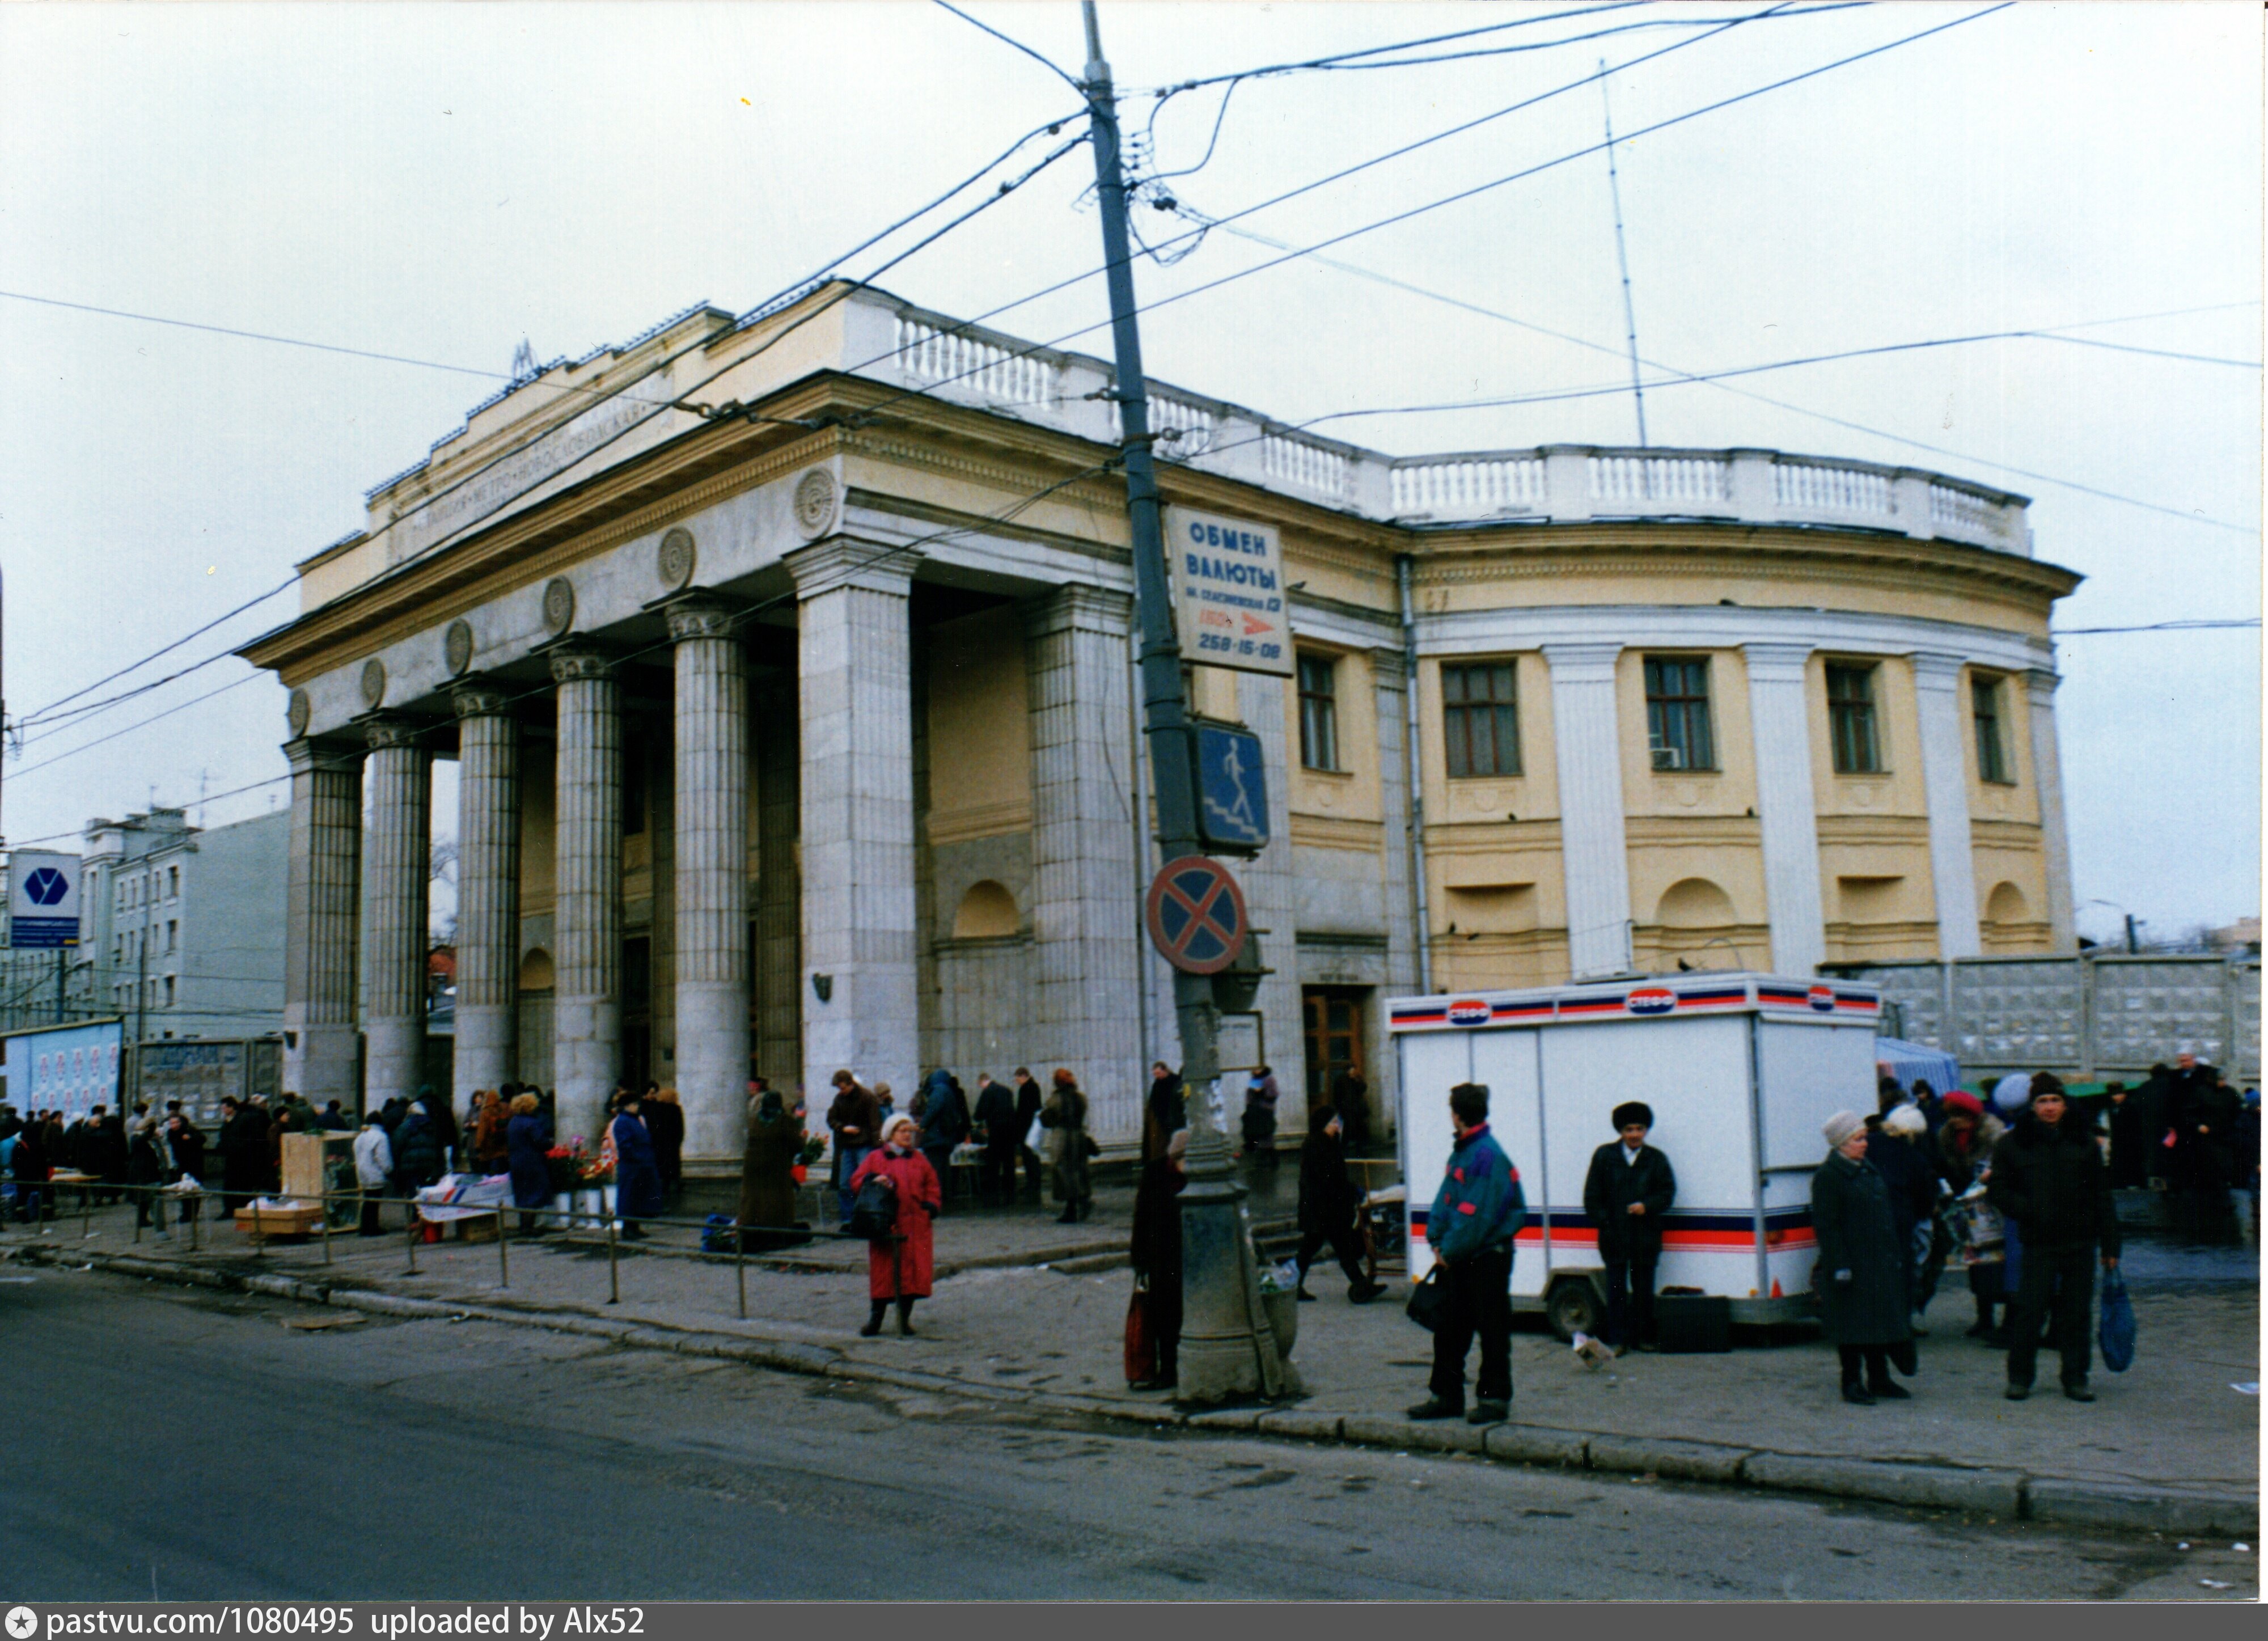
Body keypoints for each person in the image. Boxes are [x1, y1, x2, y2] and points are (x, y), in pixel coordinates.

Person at [1988, 1072, 2121, 1402]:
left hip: (2080, 1240)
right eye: (2043, 1102)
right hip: (2038, 1241)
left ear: (2065, 1104)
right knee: (2030, 1311)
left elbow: (2102, 1196)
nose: (2050, 1108)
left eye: (2055, 1101)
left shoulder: (2084, 1141)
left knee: (2076, 1314)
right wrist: (2029, 1209)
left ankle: (2076, 1377)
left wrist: (2110, 1243)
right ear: (2032, 1106)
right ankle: (2020, 1377)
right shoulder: (2013, 1143)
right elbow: (1999, 1190)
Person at [1407, 1081, 1525, 1426]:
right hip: (1466, 1255)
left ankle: (1493, 1400)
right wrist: (1437, 1240)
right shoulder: (1469, 1150)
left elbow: (1475, 1213)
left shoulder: (1484, 1154)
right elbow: (1448, 1200)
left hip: (1486, 1256)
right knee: (1450, 1328)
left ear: (1457, 1114)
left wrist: (1446, 1248)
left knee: (1491, 1330)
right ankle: (1446, 1396)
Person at [1810, 1110, 1914, 1405]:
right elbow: (1827, 1226)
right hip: (1852, 1265)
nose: (1865, 1143)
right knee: (1853, 1326)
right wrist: (1840, 1264)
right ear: (1841, 1143)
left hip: (1879, 1263)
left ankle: (1880, 1378)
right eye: (1858, 1139)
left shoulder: (1867, 1168)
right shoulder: (1829, 1176)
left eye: (1864, 1137)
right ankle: (1852, 1382)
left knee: (1878, 1321)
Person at [1581, 1101, 1677, 1354]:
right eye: (1629, 1130)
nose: (1635, 1135)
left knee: (1644, 1291)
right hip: (1614, 1237)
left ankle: (1643, 1338)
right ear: (1620, 1132)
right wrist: (1607, 1222)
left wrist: (1648, 1205)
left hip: (1646, 1237)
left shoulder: (1656, 1160)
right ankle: (1617, 1339)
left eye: (1639, 1129)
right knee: (1616, 1290)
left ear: (1646, 1130)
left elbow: (1668, 1193)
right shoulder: (1604, 1156)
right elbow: (1592, 1197)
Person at [850, 1112, 941, 1337]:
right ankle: (876, 1320)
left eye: (910, 1131)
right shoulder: (875, 1158)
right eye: (903, 1131)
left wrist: (932, 1204)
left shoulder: (920, 1159)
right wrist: (871, 1179)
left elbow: (933, 1186)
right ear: (890, 1134)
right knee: (884, 1274)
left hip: (916, 1228)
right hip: (888, 1226)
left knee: (912, 1276)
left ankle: (904, 1320)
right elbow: (855, 1182)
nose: (908, 1135)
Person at [1295, 1102, 1387, 1304]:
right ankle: (1361, 1285)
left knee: (1314, 1249)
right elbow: (1327, 1178)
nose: (1337, 1126)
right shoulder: (1316, 1144)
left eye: (1338, 1122)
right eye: (1333, 1123)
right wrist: (1351, 1190)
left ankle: (1294, 1285)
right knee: (1332, 1247)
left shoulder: (1328, 1142)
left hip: (1326, 1207)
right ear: (1323, 1124)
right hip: (1321, 1207)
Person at [1935, 1090, 2008, 1342]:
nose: (1955, 1121)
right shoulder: (1947, 1136)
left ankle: (2005, 1319)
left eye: (1959, 1115)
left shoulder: (1994, 1135)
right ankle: (1984, 1317)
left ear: (1972, 1115)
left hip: (1993, 1205)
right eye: (1952, 1116)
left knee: (1998, 1260)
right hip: (1967, 1205)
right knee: (1976, 1263)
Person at [1129, 1128, 1190, 1389]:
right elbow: (1141, 1218)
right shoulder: (1155, 1174)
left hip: (1186, 1258)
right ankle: (1166, 1372)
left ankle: (1179, 1367)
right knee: (1163, 1317)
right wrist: (1139, 1260)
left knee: (1181, 1315)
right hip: (1159, 1258)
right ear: (1176, 1157)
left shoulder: (1196, 1178)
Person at [1871, 1104, 1939, 1333]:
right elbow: (1925, 1197)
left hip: (1868, 1220)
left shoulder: (1868, 1143)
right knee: (1902, 1273)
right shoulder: (1913, 1156)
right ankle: (1901, 1323)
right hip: (1899, 1221)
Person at [737, 1086, 809, 1252]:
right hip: (776, 1167)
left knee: (753, 1200)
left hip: (753, 1167)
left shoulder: (755, 1120)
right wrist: (802, 1140)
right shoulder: (785, 1121)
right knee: (776, 1201)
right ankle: (774, 1236)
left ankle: (750, 1234)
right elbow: (797, 1145)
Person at [825, 1070, 881, 1230]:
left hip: (865, 1144)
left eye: (842, 1088)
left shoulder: (867, 1097)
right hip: (848, 1146)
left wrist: (878, 1147)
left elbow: (875, 1124)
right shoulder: (839, 1099)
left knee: (866, 1182)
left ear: (851, 1083)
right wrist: (843, 1128)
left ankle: (867, 1217)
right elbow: (831, 1119)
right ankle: (847, 1220)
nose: (840, 1092)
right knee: (844, 1184)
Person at [607, 1090, 663, 1240]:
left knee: (639, 1199)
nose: (637, 1106)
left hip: (642, 1165)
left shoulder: (635, 1120)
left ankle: (635, 1227)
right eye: (634, 1104)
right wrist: (639, 1158)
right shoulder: (623, 1121)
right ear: (626, 1106)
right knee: (629, 1198)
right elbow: (625, 1146)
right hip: (632, 1167)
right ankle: (628, 1229)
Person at [1040, 1068, 1093, 1224]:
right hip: (1078, 1136)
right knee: (1078, 1169)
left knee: (1062, 1169)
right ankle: (1081, 1200)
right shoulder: (1081, 1098)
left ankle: (1072, 1208)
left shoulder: (1055, 1099)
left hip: (1062, 1137)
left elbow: (1048, 1120)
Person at [915, 1068, 970, 1211]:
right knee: (945, 1170)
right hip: (945, 1138)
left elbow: (933, 1109)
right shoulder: (950, 1092)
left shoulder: (938, 1091)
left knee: (935, 1171)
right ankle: (946, 1198)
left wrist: (922, 1126)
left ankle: (936, 1200)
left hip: (935, 1138)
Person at [215, 1096, 270, 1218]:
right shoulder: (228, 1120)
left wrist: (238, 1146)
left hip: (244, 1158)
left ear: (232, 1107)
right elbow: (224, 1136)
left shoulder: (245, 1119)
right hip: (231, 1157)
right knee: (230, 1184)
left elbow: (252, 1138)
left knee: (243, 1184)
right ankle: (230, 1209)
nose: (223, 1111)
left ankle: (243, 1209)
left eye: (224, 1108)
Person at [505, 1093, 552, 1235]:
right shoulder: (531, 1122)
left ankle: (523, 1226)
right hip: (532, 1161)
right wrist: (549, 1142)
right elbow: (540, 1141)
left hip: (516, 1161)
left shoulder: (513, 1122)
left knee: (522, 1193)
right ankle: (530, 1228)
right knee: (534, 1193)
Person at [972, 1073, 1021, 1206]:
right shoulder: (1007, 1091)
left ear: (982, 1082)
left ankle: (993, 1195)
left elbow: (979, 1113)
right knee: (1009, 1164)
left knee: (994, 1164)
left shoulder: (987, 1092)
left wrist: (977, 1119)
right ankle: (1010, 1194)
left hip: (997, 1132)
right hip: (1011, 1131)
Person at [126, 1114, 168, 1237]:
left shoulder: (153, 1139)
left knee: (153, 1201)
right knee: (154, 1202)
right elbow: (140, 1142)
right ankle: (160, 1231)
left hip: (155, 1174)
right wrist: (150, 1129)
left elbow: (160, 1154)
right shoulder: (136, 1138)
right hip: (144, 1175)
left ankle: (158, 1229)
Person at [642, 1086, 685, 1209]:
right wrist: (678, 1141)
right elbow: (680, 1128)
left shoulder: (655, 1108)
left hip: (658, 1142)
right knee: (673, 1164)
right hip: (672, 1143)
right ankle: (674, 1184)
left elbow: (652, 1126)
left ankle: (661, 1188)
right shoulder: (676, 1109)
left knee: (660, 1164)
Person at [352, 1110, 393, 1235]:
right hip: (375, 1172)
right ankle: (373, 1228)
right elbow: (383, 1157)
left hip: (362, 1172)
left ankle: (364, 1228)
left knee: (367, 1201)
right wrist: (388, 1169)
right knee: (374, 1202)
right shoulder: (381, 1136)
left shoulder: (361, 1136)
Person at [1241, 1066, 1281, 1178]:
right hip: (1255, 1110)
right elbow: (1249, 1095)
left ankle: (1265, 1158)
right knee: (1259, 1133)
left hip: (1265, 1110)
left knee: (1266, 1132)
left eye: (1258, 1069)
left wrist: (1261, 1092)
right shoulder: (1254, 1080)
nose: (1256, 1071)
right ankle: (1269, 1156)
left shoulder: (1269, 1079)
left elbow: (1273, 1095)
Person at [1143, 1063, 1184, 1165]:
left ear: (1165, 1070)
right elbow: (1154, 1102)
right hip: (1163, 1119)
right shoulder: (1157, 1084)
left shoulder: (1175, 1080)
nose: (1157, 1076)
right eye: (1155, 1074)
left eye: (1158, 1073)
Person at [1014, 1069, 1045, 1203]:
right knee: (1033, 1156)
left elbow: (1022, 1111)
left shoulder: (1026, 1089)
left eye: (1017, 1078)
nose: (1017, 1081)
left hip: (1026, 1129)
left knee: (1028, 1157)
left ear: (1023, 1076)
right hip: (1032, 1127)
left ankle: (1032, 1183)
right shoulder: (1034, 1087)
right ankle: (1035, 1182)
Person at [1331, 1064, 1373, 1159]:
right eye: (1352, 1070)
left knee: (1360, 1129)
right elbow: (1337, 1095)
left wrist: (1357, 1080)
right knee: (1346, 1130)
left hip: (1357, 1109)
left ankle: (1360, 1148)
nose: (1353, 1072)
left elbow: (1363, 1089)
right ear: (1348, 1070)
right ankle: (1342, 1149)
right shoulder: (1341, 1080)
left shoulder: (1356, 1079)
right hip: (1346, 1109)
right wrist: (1339, 1107)